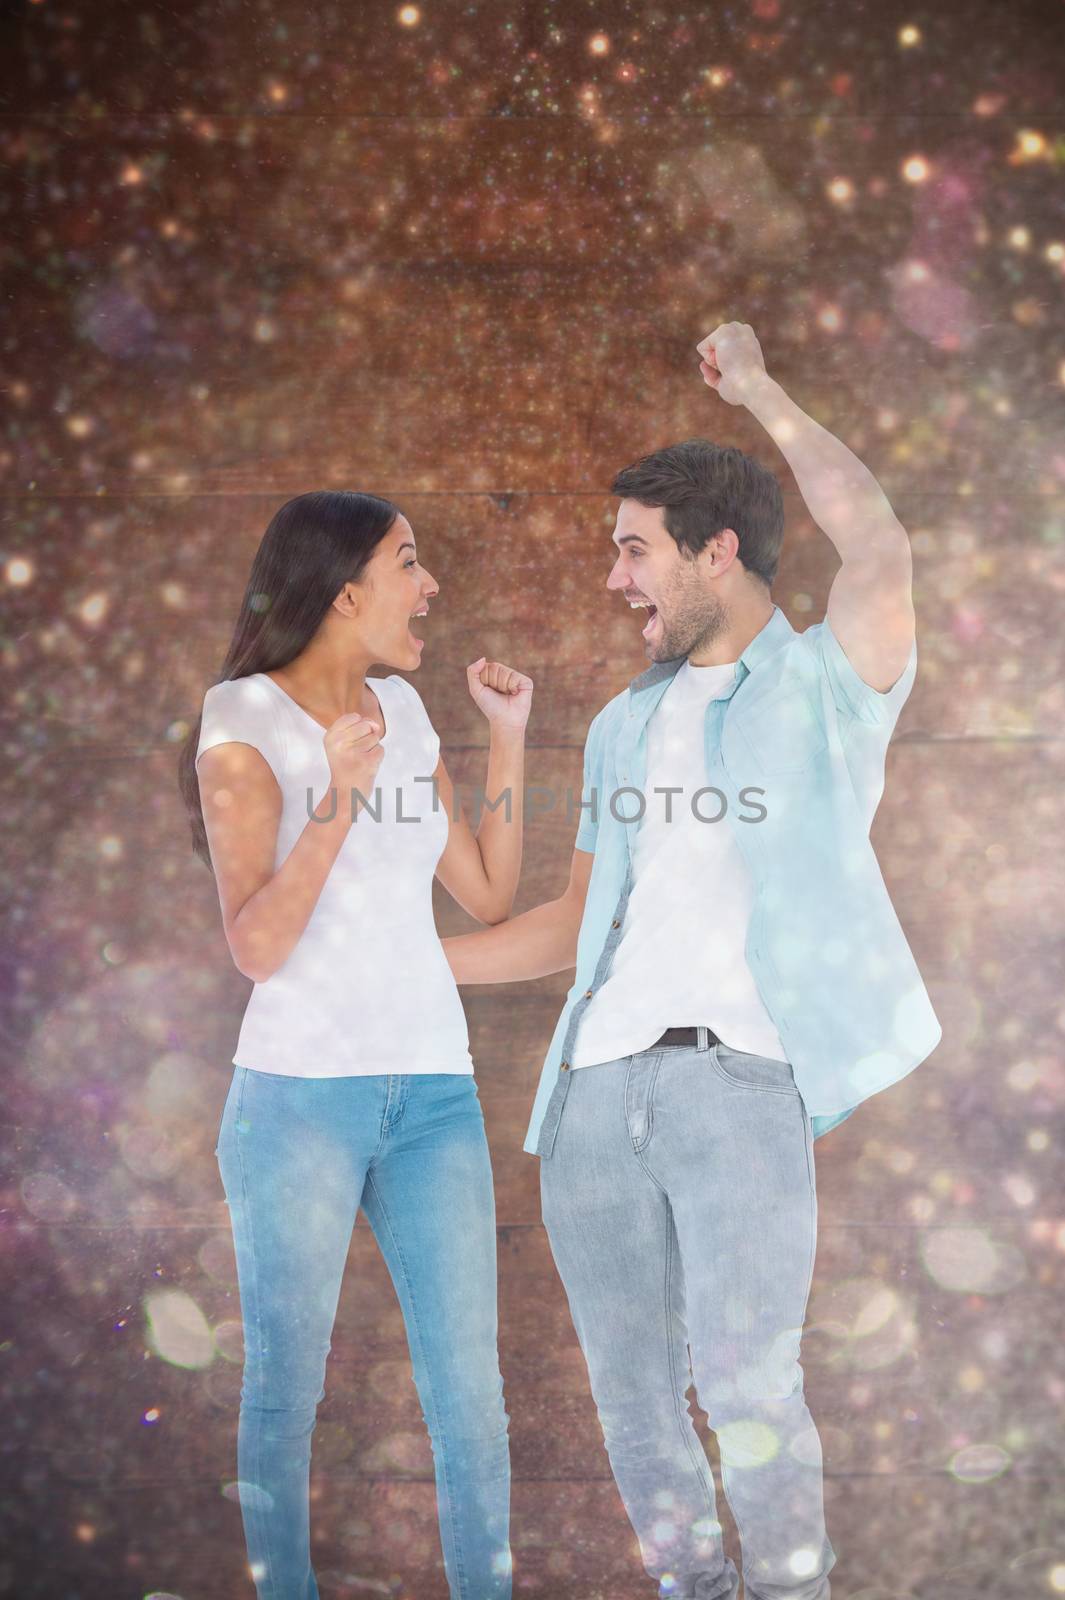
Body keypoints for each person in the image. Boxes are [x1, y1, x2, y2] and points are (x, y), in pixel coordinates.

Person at [441, 324, 942, 1599]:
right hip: (594, 1098)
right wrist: (413, 961)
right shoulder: (622, 722)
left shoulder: (829, 688)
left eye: (634, 548)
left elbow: (879, 547)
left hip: (742, 1091)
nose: (616, 580)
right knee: (633, 1404)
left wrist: (763, 389)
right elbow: (576, 918)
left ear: (717, 551)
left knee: (749, 1382)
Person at [177, 489, 530, 1600]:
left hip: (434, 1093)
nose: (429, 587)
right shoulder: (240, 718)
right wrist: (336, 796)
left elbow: (483, 889)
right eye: (409, 564)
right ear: (343, 591)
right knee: (285, 1391)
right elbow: (255, 945)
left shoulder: (410, 712)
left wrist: (508, 738)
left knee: (469, 1388)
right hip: (296, 1099)